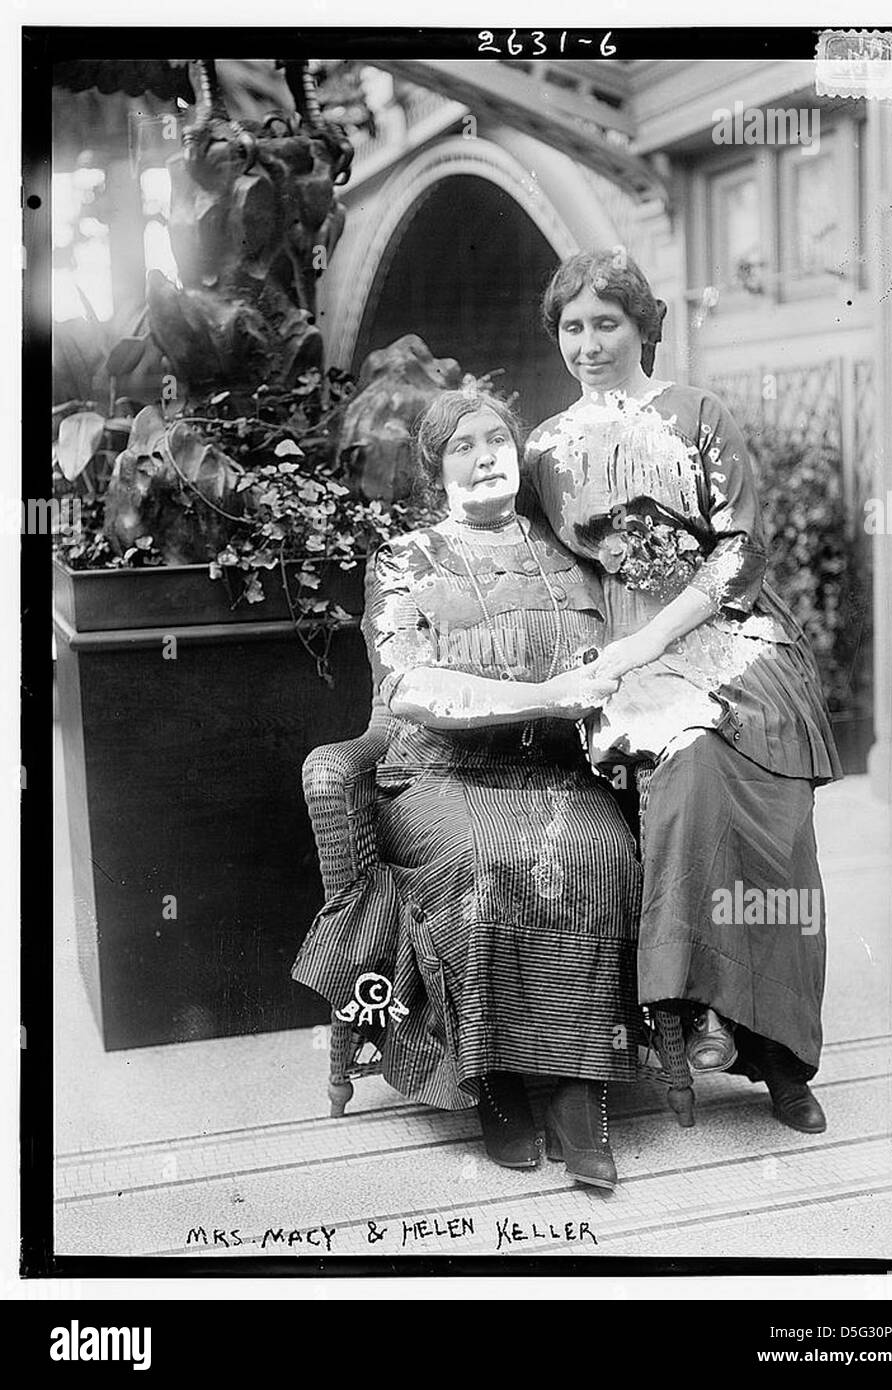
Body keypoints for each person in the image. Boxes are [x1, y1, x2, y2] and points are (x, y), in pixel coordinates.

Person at [523, 249, 842, 1133]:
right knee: (691, 771)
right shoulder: (544, 449)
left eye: (606, 324)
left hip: (732, 636)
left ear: (643, 326)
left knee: (778, 823)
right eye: (572, 328)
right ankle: (692, 1007)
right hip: (625, 654)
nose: (588, 344)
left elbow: (741, 548)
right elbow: (553, 574)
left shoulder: (699, 413)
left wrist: (659, 636)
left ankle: (778, 1052)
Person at [293, 387, 644, 1190]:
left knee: (601, 853)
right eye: (464, 446)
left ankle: (575, 1089)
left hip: (553, 773)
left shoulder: (571, 555)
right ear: (435, 468)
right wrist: (546, 697)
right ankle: (492, 1082)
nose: (487, 456)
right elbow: (412, 690)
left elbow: (622, 663)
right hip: (438, 774)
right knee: (482, 863)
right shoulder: (404, 561)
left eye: (497, 440)